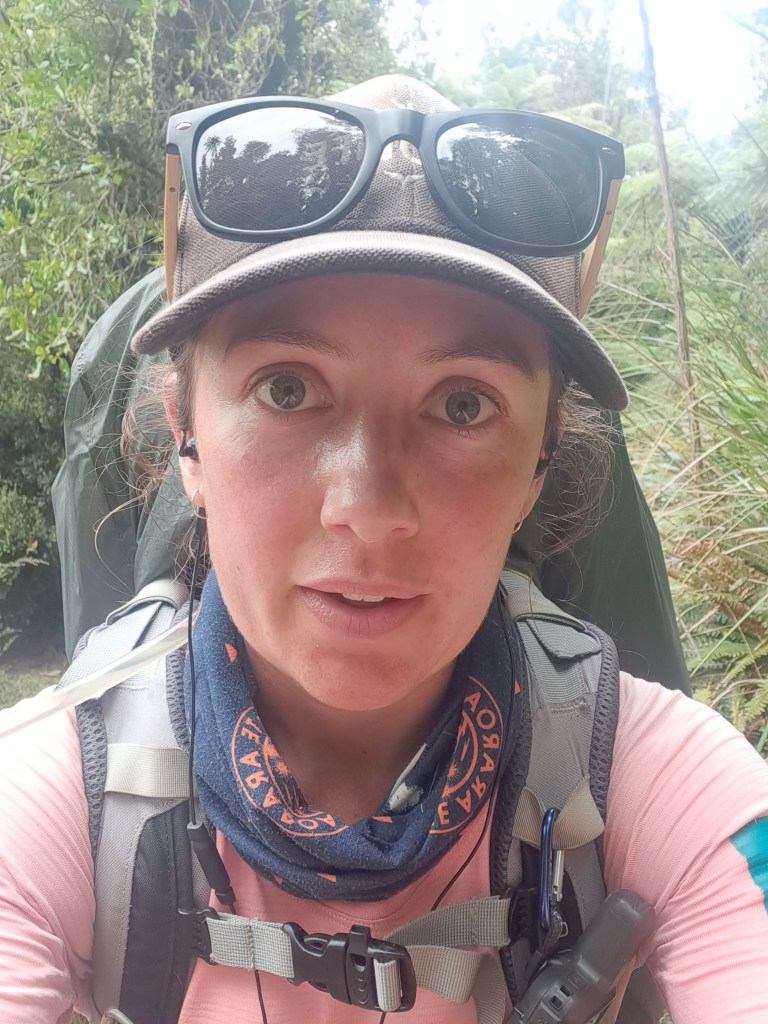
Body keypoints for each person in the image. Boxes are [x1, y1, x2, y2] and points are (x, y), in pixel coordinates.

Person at [1, 74, 766, 1024]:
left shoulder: (647, 779)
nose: (366, 511)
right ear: (186, 438)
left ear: (537, 467)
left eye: (463, 405)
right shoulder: (59, 799)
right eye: (287, 389)